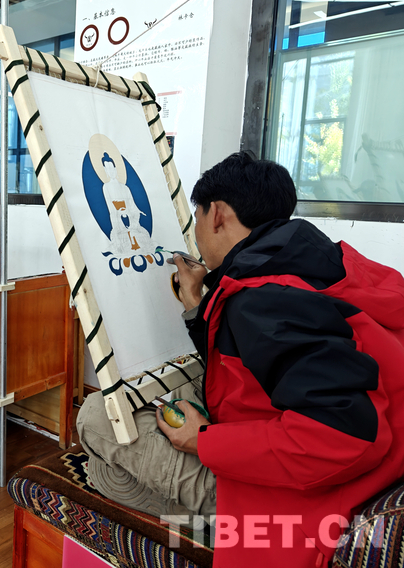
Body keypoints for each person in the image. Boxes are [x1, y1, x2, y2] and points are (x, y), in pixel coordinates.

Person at [77, 151, 404, 567]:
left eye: (197, 217)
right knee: (133, 441)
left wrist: (203, 440)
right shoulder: (319, 257)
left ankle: (206, 526)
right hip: (376, 468)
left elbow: (344, 437)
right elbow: (260, 354)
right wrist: (198, 304)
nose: (196, 233)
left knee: (95, 423)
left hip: (306, 500)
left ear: (216, 214)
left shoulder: (265, 301)